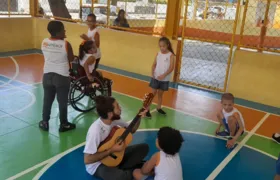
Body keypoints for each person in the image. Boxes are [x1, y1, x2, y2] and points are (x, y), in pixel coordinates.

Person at [83, 95, 149, 180]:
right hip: (98, 164)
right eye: (117, 106)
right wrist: (111, 150)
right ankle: (132, 170)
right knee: (122, 177)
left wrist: (139, 116)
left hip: (116, 156)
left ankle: (121, 168)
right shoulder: (95, 130)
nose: (120, 108)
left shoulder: (115, 119)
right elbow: (87, 160)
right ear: (110, 114)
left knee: (144, 148)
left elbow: (132, 130)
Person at [39, 21, 76, 132]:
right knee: (62, 102)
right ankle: (63, 124)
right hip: (62, 77)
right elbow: (71, 59)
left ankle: (45, 122)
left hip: (47, 75)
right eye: (63, 29)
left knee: (47, 101)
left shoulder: (44, 42)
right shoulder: (66, 44)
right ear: (59, 31)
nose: (65, 31)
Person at [145, 37, 175, 118]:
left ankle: (159, 107)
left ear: (167, 45)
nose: (162, 48)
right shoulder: (158, 53)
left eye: (163, 46)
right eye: (160, 46)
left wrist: (164, 75)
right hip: (156, 78)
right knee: (152, 94)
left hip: (164, 79)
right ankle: (147, 110)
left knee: (160, 95)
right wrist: (152, 73)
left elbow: (171, 68)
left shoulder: (171, 55)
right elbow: (154, 64)